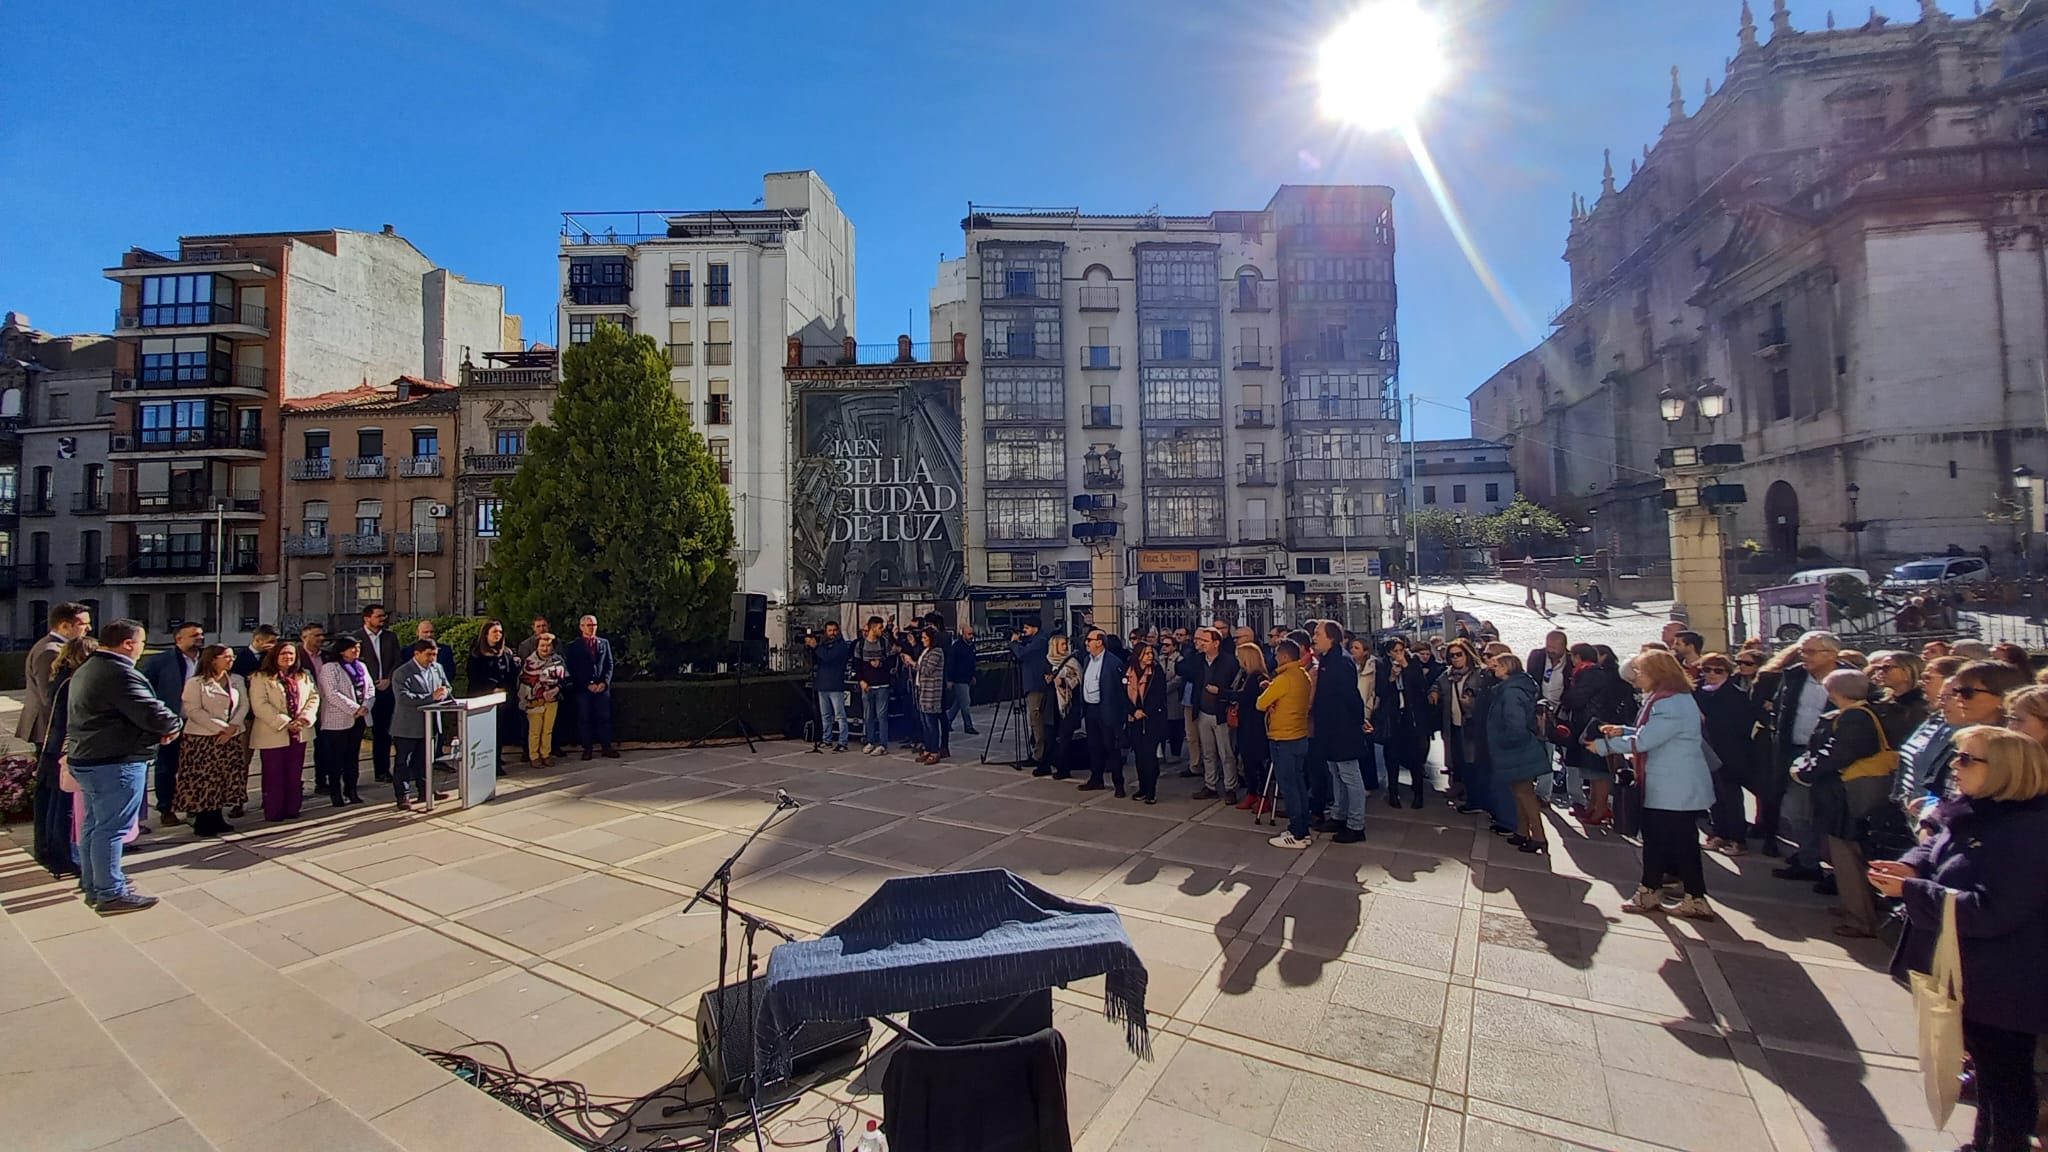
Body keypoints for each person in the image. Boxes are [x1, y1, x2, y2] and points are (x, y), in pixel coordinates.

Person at [1873, 725, 2048, 1152]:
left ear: (2004, 771)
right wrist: (1911, 868)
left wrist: (1912, 892)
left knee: (2006, 1076)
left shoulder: (2029, 830)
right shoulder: (1976, 808)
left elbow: (1994, 910)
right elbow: (1936, 848)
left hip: (2008, 978)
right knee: (1990, 1071)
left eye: (1967, 759)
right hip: (1975, 974)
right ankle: (1982, 1143)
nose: (1955, 765)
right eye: (1957, 756)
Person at [66, 620, 180, 914]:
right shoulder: (119, 672)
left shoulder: (89, 667)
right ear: (128, 644)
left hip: (90, 758)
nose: (142, 650)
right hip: (114, 762)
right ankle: (110, 893)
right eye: (141, 643)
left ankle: (94, 884)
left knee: (93, 825)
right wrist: (171, 725)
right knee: (111, 829)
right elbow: (153, 711)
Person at [1590, 651, 1716, 918]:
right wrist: (1623, 730)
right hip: (1673, 785)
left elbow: (1647, 741)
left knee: (1665, 841)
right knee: (1675, 841)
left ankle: (1658, 892)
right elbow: (1650, 733)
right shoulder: (1672, 699)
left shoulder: (1670, 703)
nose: (1637, 678)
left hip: (1673, 787)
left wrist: (1604, 746)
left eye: (1641, 672)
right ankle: (1675, 893)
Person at [1765, 631, 1843, 868]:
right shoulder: (1794, 675)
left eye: (1810, 652)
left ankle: (1835, 868)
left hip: (1832, 757)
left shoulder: (1848, 678)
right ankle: (1808, 861)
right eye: (1801, 651)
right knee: (1794, 811)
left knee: (1830, 813)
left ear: (1831, 654)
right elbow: (1780, 709)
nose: (1803, 656)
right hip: (1794, 753)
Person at [174, 644, 250, 836]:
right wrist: (221, 728)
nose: (231, 660)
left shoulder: (236, 680)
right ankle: (203, 820)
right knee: (204, 780)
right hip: (203, 738)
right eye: (226, 657)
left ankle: (217, 817)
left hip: (231, 736)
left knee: (223, 778)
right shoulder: (196, 683)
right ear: (212, 659)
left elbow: (243, 705)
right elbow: (194, 710)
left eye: (232, 657)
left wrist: (232, 726)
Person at [1309, 622, 1369, 842]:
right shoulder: (1326, 659)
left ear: (1331, 638)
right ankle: (1338, 815)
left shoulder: (1341, 662)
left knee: (1350, 775)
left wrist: (1359, 721)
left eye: (1317, 633)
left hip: (1343, 729)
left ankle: (1355, 824)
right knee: (1336, 773)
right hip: (1328, 728)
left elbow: (1351, 697)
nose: (1313, 637)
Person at [1486, 652, 1551, 854]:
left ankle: (1538, 836)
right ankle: (1523, 831)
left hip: (1516, 747)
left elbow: (1516, 724)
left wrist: (1503, 741)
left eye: (1496, 665)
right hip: (1517, 746)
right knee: (1519, 792)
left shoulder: (1511, 692)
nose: (1493, 668)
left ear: (1506, 668)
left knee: (1525, 793)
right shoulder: (1516, 687)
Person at [139, 622, 203, 827]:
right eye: (194, 635)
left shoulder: (206, 660)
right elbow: (146, 691)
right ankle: (166, 807)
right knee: (167, 766)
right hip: (173, 721)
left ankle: (194, 804)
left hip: (200, 722)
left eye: (201, 634)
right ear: (179, 639)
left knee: (195, 766)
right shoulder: (161, 661)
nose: (199, 638)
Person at [1695, 653, 1760, 856]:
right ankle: (1718, 834)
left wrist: (1708, 720)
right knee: (1712, 795)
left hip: (1731, 752)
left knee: (1731, 796)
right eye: (1707, 670)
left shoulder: (1736, 694)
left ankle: (1738, 840)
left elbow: (1742, 725)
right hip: (1705, 749)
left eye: (1718, 671)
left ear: (1727, 673)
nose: (1712, 674)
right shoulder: (1697, 691)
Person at [249, 641, 318, 823]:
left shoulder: (303, 675)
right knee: (274, 774)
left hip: (299, 731)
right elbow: (260, 704)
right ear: (275, 656)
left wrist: (304, 717)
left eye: (291, 654)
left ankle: (292, 808)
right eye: (284, 654)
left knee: (294, 773)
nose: (288, 657)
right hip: (273, 731)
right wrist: (286, 722)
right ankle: (274, 811)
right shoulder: (261, 677)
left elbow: (313, 697)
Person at [1257, 639, 1316, 849]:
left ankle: (1297, 833)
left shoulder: (1284, 679)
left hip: (1283, 738)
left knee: (1289, 787)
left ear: (1283, 656)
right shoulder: (1303, 675)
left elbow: (1261, 703)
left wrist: (1270, 695)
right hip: (1299, 735)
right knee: (1299, 784)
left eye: (1276, 654)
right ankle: (1303, 829)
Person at [17, 601, 91, 751]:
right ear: (64, 626)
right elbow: (50, 694)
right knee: (50, 772)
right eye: (83, 624)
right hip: (47, 727)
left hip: (51, 727)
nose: (89, 628)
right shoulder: (51, 651)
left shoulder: (55, 646)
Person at [392, 639, 451, 808]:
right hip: (408, 725)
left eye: (434, 655)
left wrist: (445, 692)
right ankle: (403, 795)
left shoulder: (437, 668)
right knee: (404, 762)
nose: (432, 658)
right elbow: (403, 698)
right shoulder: (402, 673)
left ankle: (426, 790)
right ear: (416, 654)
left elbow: (447, 685)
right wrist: (430, 697)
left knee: (425, 760)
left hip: (430, 723)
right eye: (428, 655)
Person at [316, 637, 373, 806]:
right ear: (342, 650)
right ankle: (336, 793)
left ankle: (352, 790)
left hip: (359, 718)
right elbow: (332, 694)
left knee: (352, 758)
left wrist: (365, 705)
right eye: (352, 648)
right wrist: (354, 708)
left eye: (358, 647)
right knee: (336, 759)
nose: (356, 651)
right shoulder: (330, 668)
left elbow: (369, 688)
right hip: (338, 719)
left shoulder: (361, 666)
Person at [1375, 638, 1429, 809]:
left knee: (1415, 756)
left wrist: (1405, 666)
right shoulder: (1382, 665)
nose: (1398, 654)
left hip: (1410, 715)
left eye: (1401, 650)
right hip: (1393, 715)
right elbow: (1380, 691)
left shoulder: (1412, 663)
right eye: (1394, 651)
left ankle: (1418, 794)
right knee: (1392, 755)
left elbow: (1421, 685)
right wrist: (1391, 677)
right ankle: (1393, 792)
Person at [466, 620, 523, 774]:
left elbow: (511, 674)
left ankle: (496, 759)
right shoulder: (477, 654)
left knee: (498, 731)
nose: (498, 635)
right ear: (486, 634)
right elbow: (475, 677)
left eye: (500, 632)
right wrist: (491, 688)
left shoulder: (505, 653)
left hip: (502, 699)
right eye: (494, 632)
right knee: (484, 732)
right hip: (482, 698)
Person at [1436, 639, 1486, 811]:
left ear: (1467, 654)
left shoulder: (1479, 674)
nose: (1456, 659)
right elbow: (1436, 685)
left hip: (1471, 725)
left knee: (1471, 761)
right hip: (1452, 724)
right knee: (1456, 759)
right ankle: (1458, 787)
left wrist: (1472, 702)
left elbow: (1486, 699)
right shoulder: (1448, 675)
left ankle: (1473, 796)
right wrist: (1434, 692)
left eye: (1459, 654)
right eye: (1452, 656)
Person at [353, 605, 401, 784]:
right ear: (367, 618)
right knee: (355, 734)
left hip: (386, 691)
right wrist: (370, 683)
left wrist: (388, 679)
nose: (383, 619)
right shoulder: (356, 638)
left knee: (383, 733)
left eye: (384, 615)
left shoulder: (390, 637)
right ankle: (349, 775)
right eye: (379, 616)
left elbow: (397, 660)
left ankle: (382, 771)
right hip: (363, 694)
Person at [1193, 628, 1241, 804]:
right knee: (1208, 752)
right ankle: (1210, 785)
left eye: (1205, 641)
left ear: (1216, 643)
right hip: (1203, 711)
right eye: (1200, 640)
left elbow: (1236, 689)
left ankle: (1230, 788)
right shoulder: (1199, 660)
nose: (1201, 644)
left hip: (1221, 713)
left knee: (1226, 753)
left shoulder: (1229, 662)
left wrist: (1220, 692)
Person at [1077, 629, 1126, 795]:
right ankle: (1096, 778)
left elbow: (1120, 690)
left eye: (1089, 639)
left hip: (1107, 710)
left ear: (1099, 642)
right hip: (1091, 709)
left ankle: (1119, 783)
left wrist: (1120, 715)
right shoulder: (1086, 660)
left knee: (1111, 747)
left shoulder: (1113, 662)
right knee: (1094, 746)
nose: (1086, 643)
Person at [564, 615, 618, 760]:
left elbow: (609, 665)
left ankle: (606, 747)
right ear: (581, 627)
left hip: (602, 688)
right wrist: (587, 684)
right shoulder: (574, 646)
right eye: (588, 625)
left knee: (604, 718)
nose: (591, 627)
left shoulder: (604, 643)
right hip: (583, 689)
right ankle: (587, 748)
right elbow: (572, 668)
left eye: (593, 625)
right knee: (584, 718)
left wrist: (604, 682)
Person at [1232, 643, 1273, 815]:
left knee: (1257, 763)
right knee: (1247, 761)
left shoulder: (1258, 678)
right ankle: (1251, 793)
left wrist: (1221, 693)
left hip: (1255, 726)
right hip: (1244, 723)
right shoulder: (1244, 676)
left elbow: (1247, 697)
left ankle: (1264, 798)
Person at [1126, 642, 1168, 804]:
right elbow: (1122, 694)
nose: (1150, 656)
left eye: (1151, 653)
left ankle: (1151, 791)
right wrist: (1132, 710)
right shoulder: (1128, 671)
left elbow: (1158, 696)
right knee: (1139, 756)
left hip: (1151, 720)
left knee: (1149, 756)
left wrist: (1144, 711)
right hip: (1134, 720)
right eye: (1146, 654)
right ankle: (1142, 787)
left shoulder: (1156, 673)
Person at [1037, 635, 1083, 780]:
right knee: (1049, 737)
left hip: (1067, 706)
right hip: (1051, 704)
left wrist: (1064, 682)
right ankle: (1046, 764)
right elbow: (1041, 680)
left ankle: (1064, 768)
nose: (1065, 647)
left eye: (1066, 644)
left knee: (1065, 738)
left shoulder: (1073, 662)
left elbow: (1077, 679)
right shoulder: (1047, 661)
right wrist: (1047, 680)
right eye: (1062, 644)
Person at [520, 633, 568, 768]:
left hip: (552, 699)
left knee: (548, 729)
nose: (545, 648)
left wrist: (556, 689)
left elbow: (565, 680)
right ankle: (534, 756)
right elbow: (524, 682)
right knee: (535, 730)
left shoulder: (558, 661)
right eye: (542, 645)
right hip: (534, 701)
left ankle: (546, 754)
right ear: (537, 647)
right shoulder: (530, 662)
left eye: (548, 646)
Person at [1009, 621, 1051, 767]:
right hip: (1033, 685)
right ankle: (1038, 751)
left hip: (1036, 686)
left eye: (1027, 628)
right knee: (1035, 720)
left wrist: (1014, 643)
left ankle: (1039, 755)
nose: (1024, 631)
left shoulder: (1040, 641)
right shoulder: (1036, 639)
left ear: (1035, 628)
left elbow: (1022, 654)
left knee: (1036, 720)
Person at [806, 621, 853, 753]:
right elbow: (814, 660)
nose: (832, 633)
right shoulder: (823, 645)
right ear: (825, 632)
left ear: (838, 631)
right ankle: (827, 739)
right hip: (822, 684)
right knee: (825, 715)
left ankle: (843, 742)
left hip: (835, 684)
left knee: (840, 715)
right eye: (829, 630)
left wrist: (816, 647)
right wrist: (809, 648)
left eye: (834, 630)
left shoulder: (841, 646)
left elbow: (828, 657)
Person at [856, 616, 896, 757]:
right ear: (872, 628)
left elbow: (892, 660)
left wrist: (881, 664)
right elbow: (857, 663)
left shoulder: (884, 643)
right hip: (867, 685)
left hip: (882, 685)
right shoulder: (860, 644)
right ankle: (870, 741)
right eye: (879, 627)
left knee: (881, 716)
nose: (882, 630)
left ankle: (883, 744)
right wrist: (861, 680)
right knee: (868, 716)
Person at [1172, 629, 1208, 781]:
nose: (1196, 642)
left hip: (1204, 697)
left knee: (1206, 735)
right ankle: (1195, 764)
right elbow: (1181, 669)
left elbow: (1196, 673)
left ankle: (1208, 765)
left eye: (1200, 639)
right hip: (1189, 696)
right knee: (1191, 734)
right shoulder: (1189, 652)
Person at [914, 626, 948, 766]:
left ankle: (935, 751)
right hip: (923, 689)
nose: (923, 640)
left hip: (932, 691)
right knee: (925, 723)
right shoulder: (926, 650)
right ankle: (928, 748)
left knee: (932, 723)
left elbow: (928, 670)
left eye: (925, 638)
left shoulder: (937, 652)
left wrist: (912, 663)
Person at [945, 623, 979, 740]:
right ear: (963, 634)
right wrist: (950, 679)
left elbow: (973, 662)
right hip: (959, 679)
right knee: (965, 703)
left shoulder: (971, 646)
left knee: (958, 702)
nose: (971, 636)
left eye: (972, 634)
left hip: (967, 677)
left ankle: (947, 721)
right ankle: (968, 726)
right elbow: (951, 664)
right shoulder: (957, 647)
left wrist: (973, 675)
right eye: (969, 634)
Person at [1159, 635, 1187, 767]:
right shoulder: (1159, 659)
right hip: (1162, 700)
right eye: (1163, 645)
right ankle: (1161, 753)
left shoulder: (1180, 660)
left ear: (1175, 647)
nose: (1164, 647)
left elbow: (1179, 678)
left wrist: (1165, 688)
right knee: (1163, 727)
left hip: (1175, 698)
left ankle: (1176, 753)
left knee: (1176, 726)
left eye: (1168, 645)